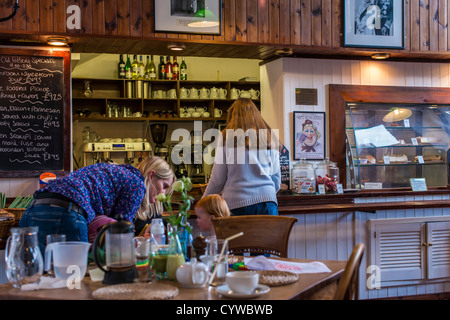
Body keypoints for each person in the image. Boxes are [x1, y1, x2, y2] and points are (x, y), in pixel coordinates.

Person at [19, 156, 175, 254]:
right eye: (164, 186)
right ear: (152, 175)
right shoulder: (137, 185)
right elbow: (119, 233)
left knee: (39, 279)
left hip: (34, 207)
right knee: (74, 282)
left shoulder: (117, 173)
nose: (162, 194)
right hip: (66, 212)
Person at [202, 98, 281, 216]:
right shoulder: (269, 136)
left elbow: (218, 180)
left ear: (232, 116)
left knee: (236, 236)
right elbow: (276, 180)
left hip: (237, 204)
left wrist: (203, 202)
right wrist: (264, 194)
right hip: (268, 204)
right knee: (269, 235)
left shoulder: (226, 137)